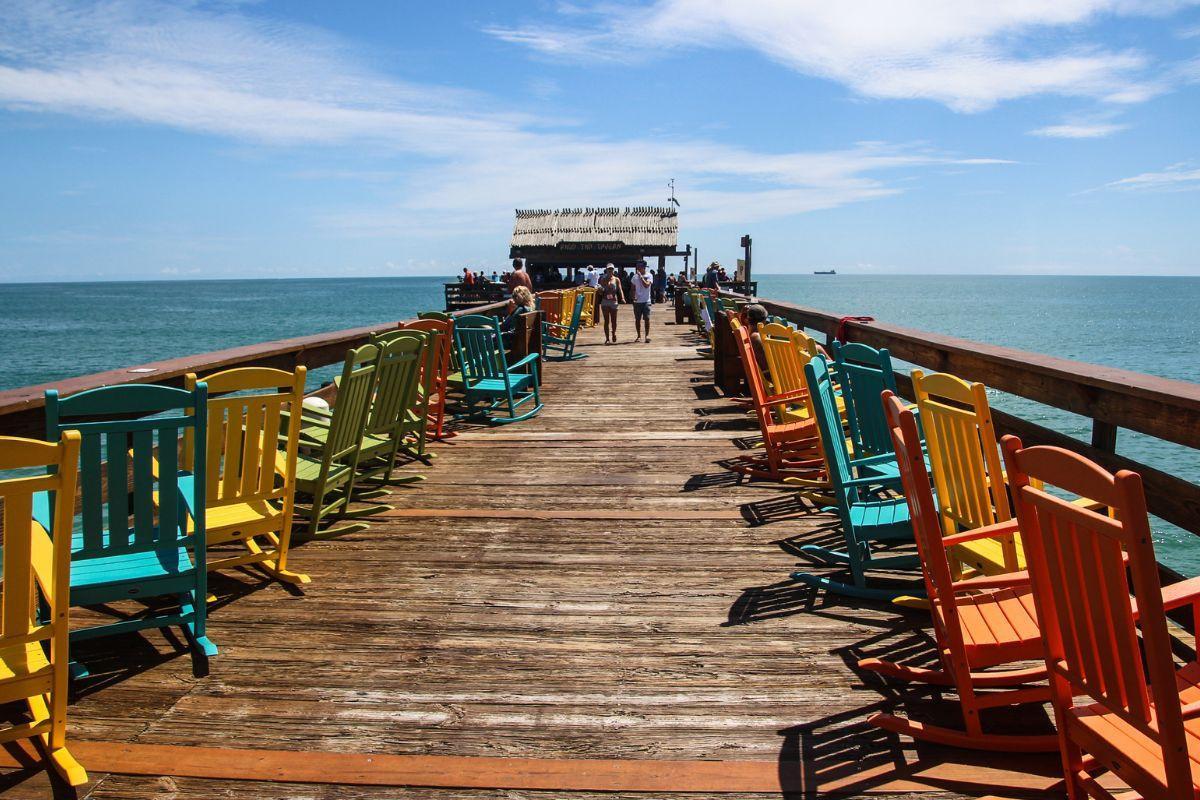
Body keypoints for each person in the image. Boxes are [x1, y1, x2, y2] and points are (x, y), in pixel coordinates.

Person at [598, 265, 624, 344]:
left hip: (613, 301)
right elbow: (600, 291)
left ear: (613, 270)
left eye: (611, 269)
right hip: (605, 301)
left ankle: (613, 333)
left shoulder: (616, 279)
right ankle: (607, 338)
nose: (610, 270)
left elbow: (620, 289)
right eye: (609, 269)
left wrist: (622, 298)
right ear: (606, 270)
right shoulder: (602, 279)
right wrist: (600, 290)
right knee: (606, 321)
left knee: (614, 321)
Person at [630, 261, 654, 343]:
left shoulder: (649, 275)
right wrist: (633, 296)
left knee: (647, 318)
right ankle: (639, 336)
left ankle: (647, 335)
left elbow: (647, 285)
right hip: (637, 302)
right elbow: (632, 288)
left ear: (644, 267)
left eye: (639, 266)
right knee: (637, 319)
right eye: (637, 266)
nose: (638, 268)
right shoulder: (634, 277)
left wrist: (641, 277)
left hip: (646, 300)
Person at [743, 304, 770, 372]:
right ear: (764, 321)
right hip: (768, 378)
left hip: (758, 374)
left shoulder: (749, 335)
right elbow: (766, 367)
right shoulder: (757, 338)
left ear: (748, 320)